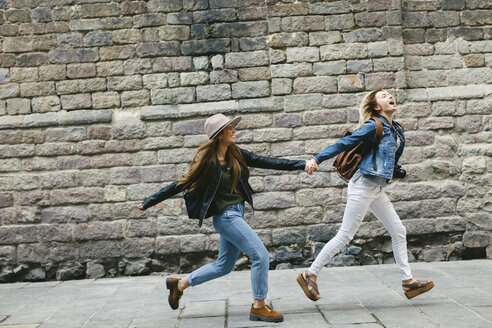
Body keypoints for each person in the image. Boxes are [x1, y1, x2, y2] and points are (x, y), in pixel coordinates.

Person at [138, 113, 305, 323]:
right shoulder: (207, 162)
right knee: (260, 256)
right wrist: (149, 201)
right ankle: (259, 307)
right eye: (229, 128)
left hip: (236, 213)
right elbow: (180, 183)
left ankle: (179, 285)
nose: (234, 131)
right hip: (226, 218)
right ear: (219, 135)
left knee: (224, 266)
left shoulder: (236, 154)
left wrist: (302, 164)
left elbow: (268, 162)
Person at [298, 89, 434, 302]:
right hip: (363, 185)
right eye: (383, 95)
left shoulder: (396, 129)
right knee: (345, 235)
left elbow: (386, 159)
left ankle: (408, 282)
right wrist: (317, 159)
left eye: (390, 93)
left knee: (399, 230)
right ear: (376, 106)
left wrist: (394, 173)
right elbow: (344, 143)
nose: (390, 96)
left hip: (377, 188)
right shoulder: (373, 125)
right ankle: (310, 274)